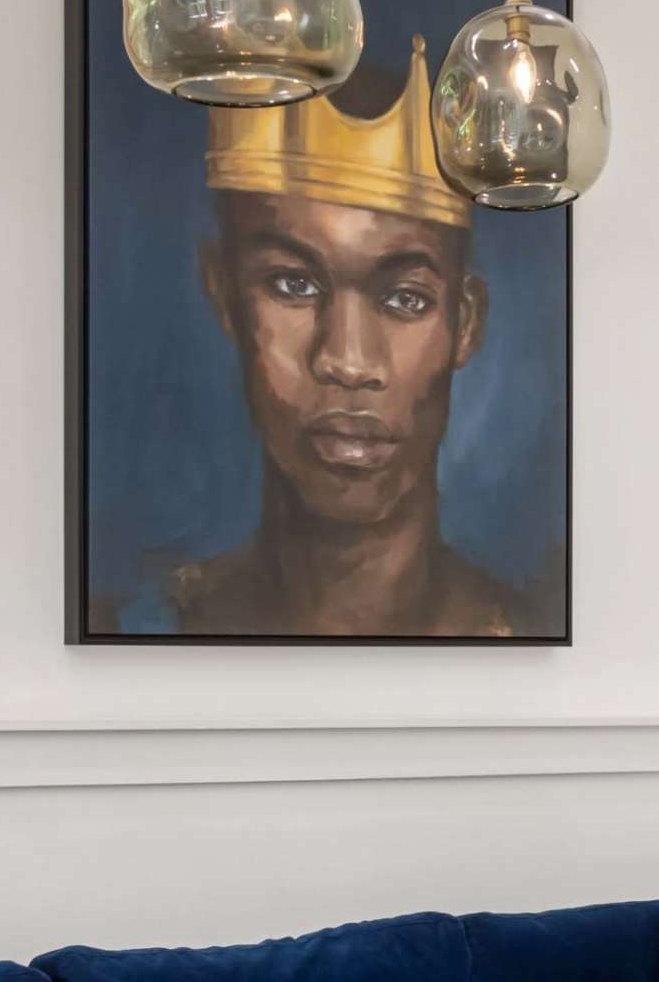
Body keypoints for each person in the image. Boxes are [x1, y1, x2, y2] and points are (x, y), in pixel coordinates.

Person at [140, 39, 540, 638]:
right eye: (293, 284)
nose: (348, 362)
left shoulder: (530, 632)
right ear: (224, 295)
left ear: (466, 324)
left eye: (406, 298)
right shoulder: (142, 620)